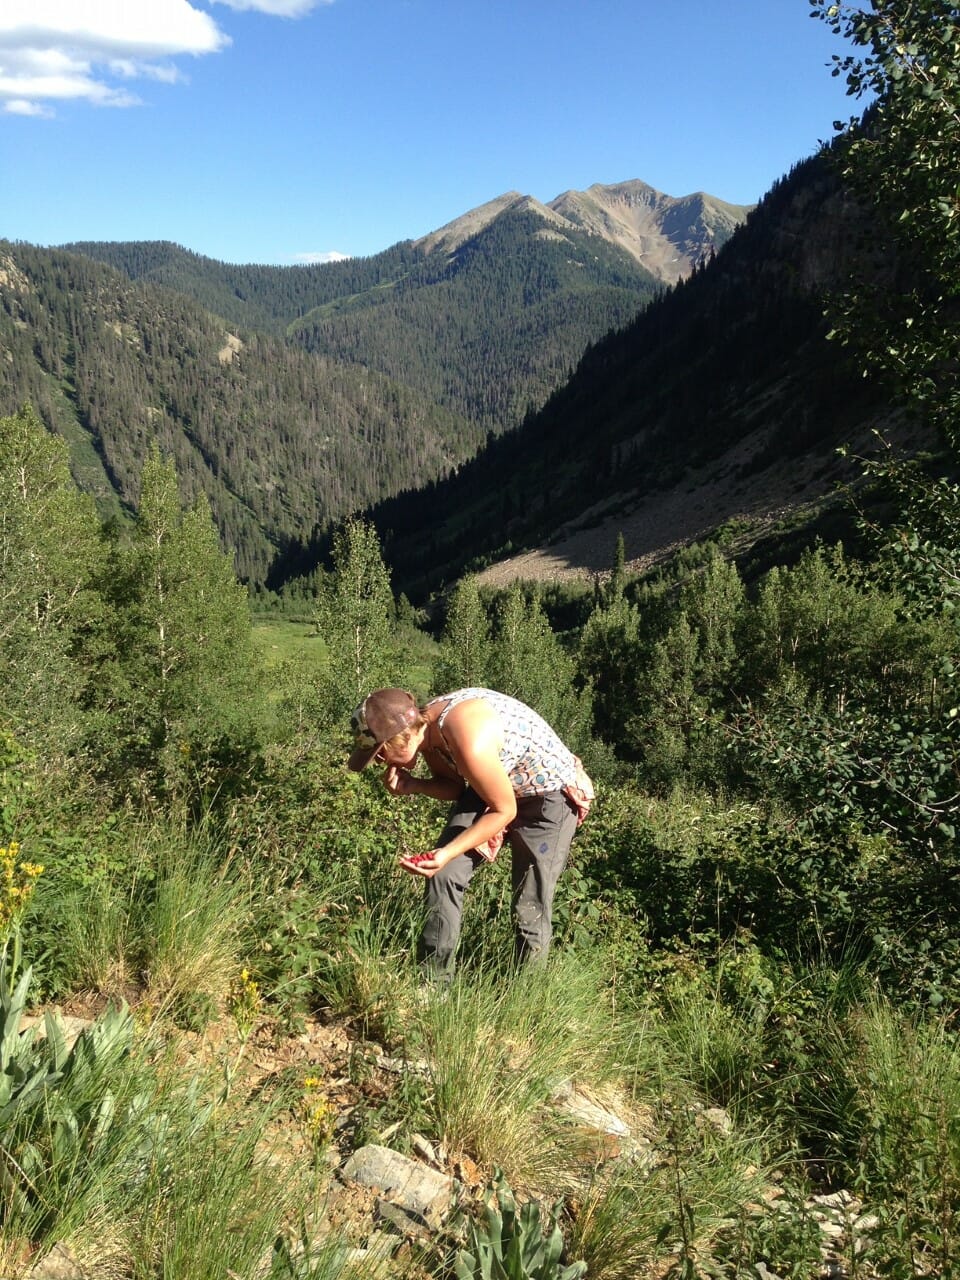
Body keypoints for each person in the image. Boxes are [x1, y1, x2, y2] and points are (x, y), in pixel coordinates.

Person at [347, 686, 592, 979]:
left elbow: (505, 811)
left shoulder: (464, 733)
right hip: (496, 786)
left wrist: (447, 851)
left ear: (402, 735)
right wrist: (414, 786)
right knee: (444, 872)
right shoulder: (428, 733)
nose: (379, 762)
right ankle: (433, 985)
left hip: (547, 797)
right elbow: (453, 787)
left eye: (379, 752)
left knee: (530, 904)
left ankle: (525, 1001)